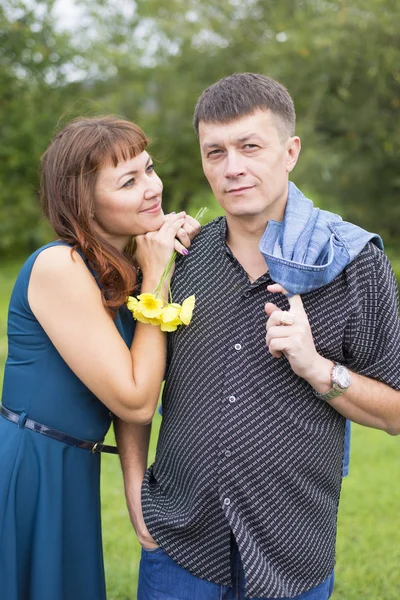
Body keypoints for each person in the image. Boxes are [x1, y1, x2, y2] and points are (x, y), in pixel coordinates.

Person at [115, 73, 400, 600]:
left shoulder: (355, 265)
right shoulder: (177, 259)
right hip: (180, 543)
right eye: (215, 152)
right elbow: (134, 387)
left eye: (250, 146)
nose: (232, 168)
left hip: (291, 550)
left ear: (290, 151)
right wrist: (135, 490)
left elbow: (396, 412)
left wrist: (319, 368)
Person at [0, 116, 199, 600]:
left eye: (148, 169)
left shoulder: (119, 266)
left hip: (71, 464)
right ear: (82, 203)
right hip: (30, 465)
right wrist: (155, 279)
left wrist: (136, 488)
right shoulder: (60, 266)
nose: (152, 188)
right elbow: (135, 399)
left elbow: (133, 379)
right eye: (128, 181)